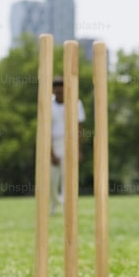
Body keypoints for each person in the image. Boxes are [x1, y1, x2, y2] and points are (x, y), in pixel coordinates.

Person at [49, 76, 86, 215]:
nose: (60, 94)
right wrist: (50, 152)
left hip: (70, 143)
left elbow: (80, 128)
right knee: (51, 180)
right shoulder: (48, 104)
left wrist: (78, 150)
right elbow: (45, 130)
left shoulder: (76, 103)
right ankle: (53, 204)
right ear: (53, 91)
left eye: (62, 91)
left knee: (68, 179)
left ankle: (67, 207)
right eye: (57, 92)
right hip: (53, 143)